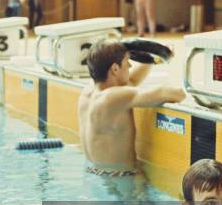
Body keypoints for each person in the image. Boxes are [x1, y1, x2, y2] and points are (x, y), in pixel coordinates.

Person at [78, 39, 185, 176]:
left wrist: (159, 56)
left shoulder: (87, 94)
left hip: (94, 172)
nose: (129, 66)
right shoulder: (115, 97)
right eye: (127, 61)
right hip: (121, 180)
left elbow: (132, 81)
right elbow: (174, 94)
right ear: (115, 69)